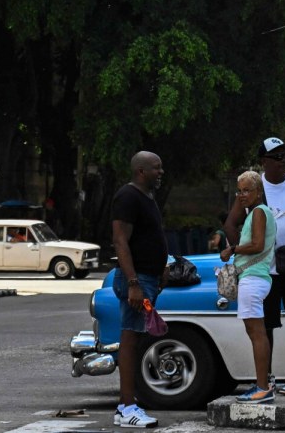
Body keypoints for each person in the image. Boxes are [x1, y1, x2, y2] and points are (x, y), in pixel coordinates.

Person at [225, 136, 285, 397]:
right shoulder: (254, 188)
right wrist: (243, 254)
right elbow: (230, 224)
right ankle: (265, 379)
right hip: (264, 270)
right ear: (264, 162)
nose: (283, 162)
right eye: (277, 157)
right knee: (264, 325)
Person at [111, 151, 169, 429]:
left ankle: (129, 403)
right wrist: (133, 283)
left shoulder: (147, 197)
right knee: (131, 337)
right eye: (156, 169)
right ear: (141, 171)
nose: (161, 172)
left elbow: (152, 235)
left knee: (137, 336)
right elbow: (120, 241)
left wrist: (163, 265)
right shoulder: (128, 196)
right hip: (137, 281)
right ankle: (126, 407)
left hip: (148, 278)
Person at [222, 171, 278, 403]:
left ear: (259, 192)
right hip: (255, 278)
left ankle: (263, 387)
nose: (242, 195)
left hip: (253, 278)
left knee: (257, 334)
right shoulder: (258, 212)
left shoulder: (258, 212)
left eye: (247, 190)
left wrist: (232, 249)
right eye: (239, 190)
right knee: (257, 333)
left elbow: (256, 244)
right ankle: (261, 384)